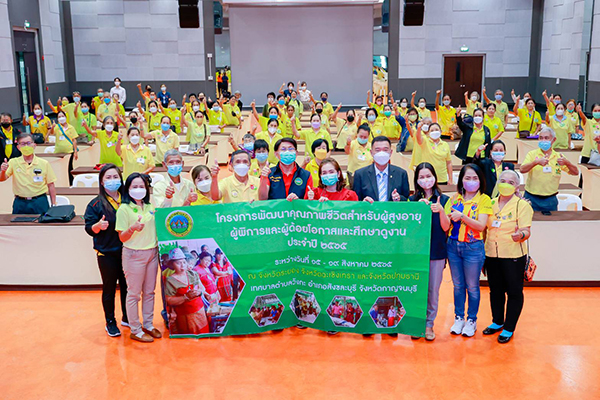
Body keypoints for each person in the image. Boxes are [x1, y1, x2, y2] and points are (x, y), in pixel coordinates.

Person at [483, 170, 532, 344]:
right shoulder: (489, 203)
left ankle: (509, 327)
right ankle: (497, 321)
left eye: (511, 182)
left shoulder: (522, 205)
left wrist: (521, 235)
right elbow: (484, 228)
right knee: (495, 291)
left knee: (514, 292)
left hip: (513, 255)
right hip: (491, 254)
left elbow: (527, 231)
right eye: (502, 181)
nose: (506, 184)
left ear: (517, 186)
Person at [444, 163, 492, 337]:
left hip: (473, 248)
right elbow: (446, 223)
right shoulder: (453, 199)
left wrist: (462, 217)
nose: (471, 181)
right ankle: (459, 318)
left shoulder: (484, 200)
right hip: (453, 246)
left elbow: (481, 226)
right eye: (467, 178)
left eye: (475, 178)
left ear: (481, 181)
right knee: (458, 286)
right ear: (461, 180)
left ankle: (471, 320)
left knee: (472, 286)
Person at [115, 173, 161, 343]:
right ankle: (135, 329)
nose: (139, 189)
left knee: (149, 292)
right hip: (134, 255)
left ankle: (148, 324)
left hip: (152, 253)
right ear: (127, 189)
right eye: (134, 186)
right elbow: (122, 237)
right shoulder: (124, 209)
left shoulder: (150, 205)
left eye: (142, 186)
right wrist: (132, 228)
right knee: (134, 294)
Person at [84, 164, 128, 337]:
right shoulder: (95, 204)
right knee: (109, 288)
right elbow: (89, 229)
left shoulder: (127, 199)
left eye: (115, 177)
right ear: (102, 182)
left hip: (128, 251)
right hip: (107, 253)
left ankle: (127, 317)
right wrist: (98, 226)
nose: (112, 180)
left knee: (127, 287)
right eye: (108, 178)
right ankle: (110, 322)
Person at [409, 163, 450, 341]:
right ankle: (416, 323)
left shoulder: (445, 199)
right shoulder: (412, 200)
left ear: (435, 177)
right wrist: (417, 210)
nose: (425, 180)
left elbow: (446, 227)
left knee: (433, 291)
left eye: (428, 176)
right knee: (417, 290)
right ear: (417, 180)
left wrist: (441, 211)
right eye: (422, 177)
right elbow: (409, 229)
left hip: (437, 252)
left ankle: (428, 324)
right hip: (417, 253)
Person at [520, 127, 578, 211]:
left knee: (552, 219)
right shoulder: (532, 154)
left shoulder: (558, 156)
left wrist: (567, 163)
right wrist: (535, 162)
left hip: (550, 199)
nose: (543, 140)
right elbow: (522, 169)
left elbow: (575, 173)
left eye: (546, 138)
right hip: (531, 197)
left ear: (554, 140)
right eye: (541, 138)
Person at [0, 133, 57, 214]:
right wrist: (3, 171)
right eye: (23, 144)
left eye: (29, 143)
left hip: (40, 201)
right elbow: (2, 179)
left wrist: (54, 204)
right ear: (18, 147)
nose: (26, 146)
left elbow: (51, 185)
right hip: (20, 202)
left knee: (42, 222)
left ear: (34, 145)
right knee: (17, 222)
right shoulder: (13, 162)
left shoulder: (44, 163)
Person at [165, 248, 209, 335]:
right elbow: (168, 300)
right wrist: (185, 297)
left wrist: (199, 292)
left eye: (184, 262)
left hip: (200, 311)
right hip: (185, 315)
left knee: (203, 334)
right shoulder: (170, 280)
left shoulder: (193, 274)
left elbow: (201, 288)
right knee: (190, 336)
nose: (182, 266)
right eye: (178, 263)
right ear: (172, 264)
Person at [352, 136, 410, 202]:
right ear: (371, 152)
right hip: (370, 208)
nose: (381, 153)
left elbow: (406, 199)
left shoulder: (401, 174)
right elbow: (356, 200)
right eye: (377, 150)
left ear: (391, 152)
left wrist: (399, 198)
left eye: (385, 150)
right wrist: (363, 202)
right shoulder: (360, 174)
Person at [49, 111, 78, 185]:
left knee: (69, 168)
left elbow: (74, 140)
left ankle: (71, 183)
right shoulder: (57, 127)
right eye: (59, 117)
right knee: (59, 169)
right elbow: (52, 133)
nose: (61, 118)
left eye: (62, 116)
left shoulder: (71, 127)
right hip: (58, 151)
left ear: (65, 117)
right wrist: (52, 127)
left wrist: (75, 151)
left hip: (69, 151)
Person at [345, 124, 373, 188]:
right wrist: (348, 144)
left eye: (365, 137)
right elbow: (347, 151)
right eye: (361, 136)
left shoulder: (371, 146)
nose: (362, 138)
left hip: (367, 178)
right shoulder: (352, 143)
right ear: (357, 134)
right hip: (352, 176)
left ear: (368, 136)